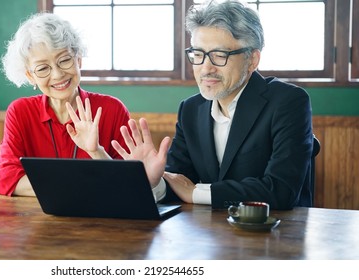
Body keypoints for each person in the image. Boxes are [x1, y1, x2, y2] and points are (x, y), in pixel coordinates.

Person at [112, 0, 314, 210]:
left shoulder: (288, 102)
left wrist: (196, 192)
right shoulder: (190, 109)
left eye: (219, 55)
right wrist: (155, 181)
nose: (206, 68)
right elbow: (180, 181)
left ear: (252, 60)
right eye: (198, 55)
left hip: (274, 233)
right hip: (209, 234)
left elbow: (281, 191)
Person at [0, 13, 130, 196]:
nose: (57, 75)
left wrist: (96, 152)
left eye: (64, 60)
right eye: (42, 68)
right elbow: (7, 180)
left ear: (78, 60)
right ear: (30, 76)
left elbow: (128, 182)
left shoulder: (112, 109)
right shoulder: (20, 112)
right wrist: (76, 187)